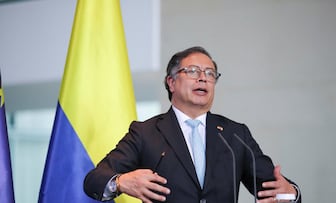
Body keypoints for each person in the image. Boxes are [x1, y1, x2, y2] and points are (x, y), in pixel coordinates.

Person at [83, 46, 301, 203]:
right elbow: (94, 180)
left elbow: (274, 187)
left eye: (210, 73)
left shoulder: (235, 135)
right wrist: (121, 182)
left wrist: (290, 194)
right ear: (171, 82)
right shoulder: (145, 133)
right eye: (193, 71)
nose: (203, 78)